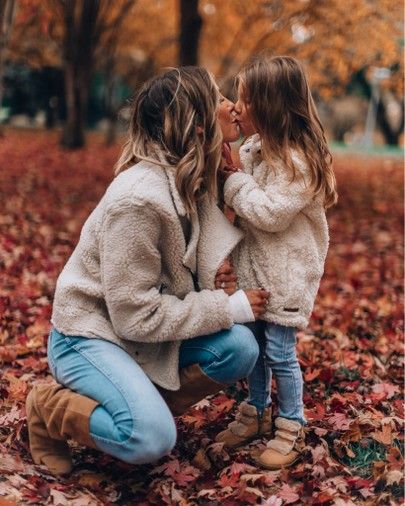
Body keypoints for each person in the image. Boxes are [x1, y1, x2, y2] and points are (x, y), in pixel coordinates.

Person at [25, 67, 270, 476]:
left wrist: (215, 282)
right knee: (150, 438)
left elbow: (178, 275)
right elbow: (135, 315)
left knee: (240, 349)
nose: (231, 106)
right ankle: (50, 410)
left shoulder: (192, 179)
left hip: (138, 336)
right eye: (220, 99)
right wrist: (226, 307)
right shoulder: (138, 201)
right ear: (195, 125)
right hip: (90, 335)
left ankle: (135, 403)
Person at [215, 56, 338, 469]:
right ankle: (255, 411)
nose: (236, 106)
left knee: (280, 352)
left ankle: (291, 422)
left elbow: (269, 213)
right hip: (255, 273)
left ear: (270, 106)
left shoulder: (298, 162)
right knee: (253, 349)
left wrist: (231, 181)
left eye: (245, 100)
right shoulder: (254, 148)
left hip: (286, 277)